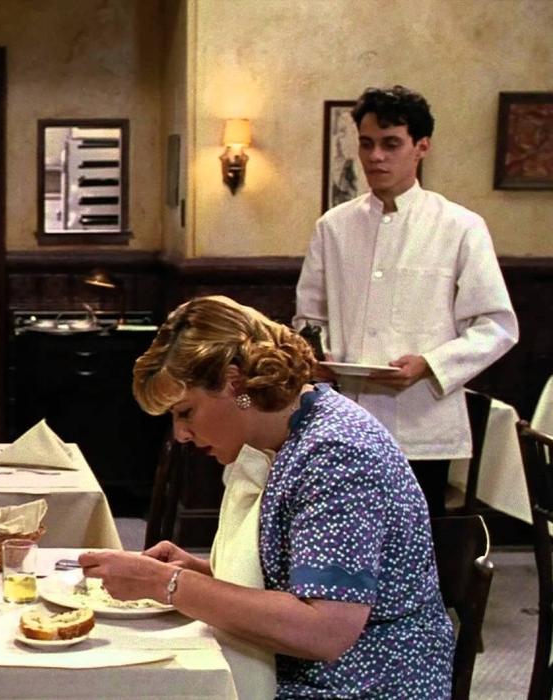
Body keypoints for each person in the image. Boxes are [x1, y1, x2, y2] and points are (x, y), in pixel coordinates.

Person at [80, 295, 454, 698]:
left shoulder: (337, 454)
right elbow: (301, 582)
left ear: (235, 383)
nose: (181, 434)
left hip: (359, 687)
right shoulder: (296, 432)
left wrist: (168, 584)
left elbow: (325, 630)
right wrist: (201, 574)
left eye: (185, 412)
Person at [295, 85, 518, 516]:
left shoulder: (460, 226)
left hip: (423, 425)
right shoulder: (333, 227)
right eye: (367, 144)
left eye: (391, 144)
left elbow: (496, 325)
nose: (376, 156)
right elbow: (309, 316)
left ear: (421, 147)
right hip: (345, 418)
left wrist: (429, 364)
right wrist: (317, 355)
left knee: (416, 540)